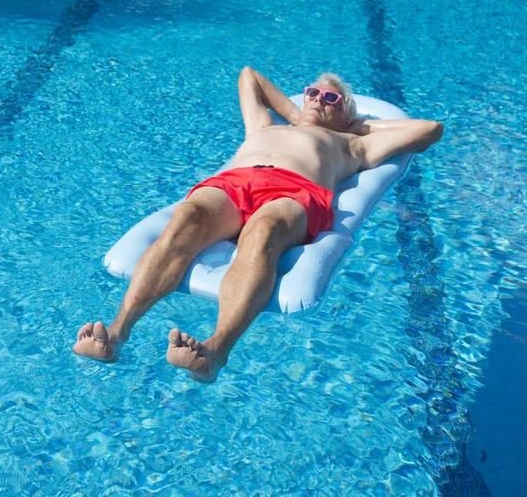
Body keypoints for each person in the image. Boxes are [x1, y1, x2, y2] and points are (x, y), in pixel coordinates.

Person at [73, 67, 443, 382]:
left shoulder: (350, 143)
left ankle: (215, 351)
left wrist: (359, 124)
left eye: (331, 100)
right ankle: (117, 334)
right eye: (312, 93)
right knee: (186, 216)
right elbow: (249, 76)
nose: (317, 100)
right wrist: (297, 113)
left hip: (295, 190)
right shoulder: (264, 125)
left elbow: (429, 129)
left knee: (263, 231)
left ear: (346, 115)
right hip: (235, 184)